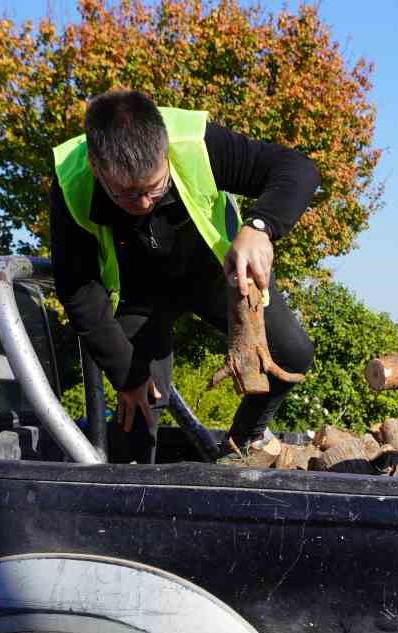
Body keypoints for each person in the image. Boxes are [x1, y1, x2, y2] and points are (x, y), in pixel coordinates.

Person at [49, 89, 319, 461]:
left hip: (217, 275)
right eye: (126, 194)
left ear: (164, 152)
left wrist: (260, 226)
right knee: (138, 409)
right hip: (139, 294)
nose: (143, 204)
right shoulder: (70, 183)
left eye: (154, 187)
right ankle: (133, 492)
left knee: (292, 353)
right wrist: (127, 375)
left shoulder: (196, 142)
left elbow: (297, 169)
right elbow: (78, 290)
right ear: (97, 167)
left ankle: (243, 445)